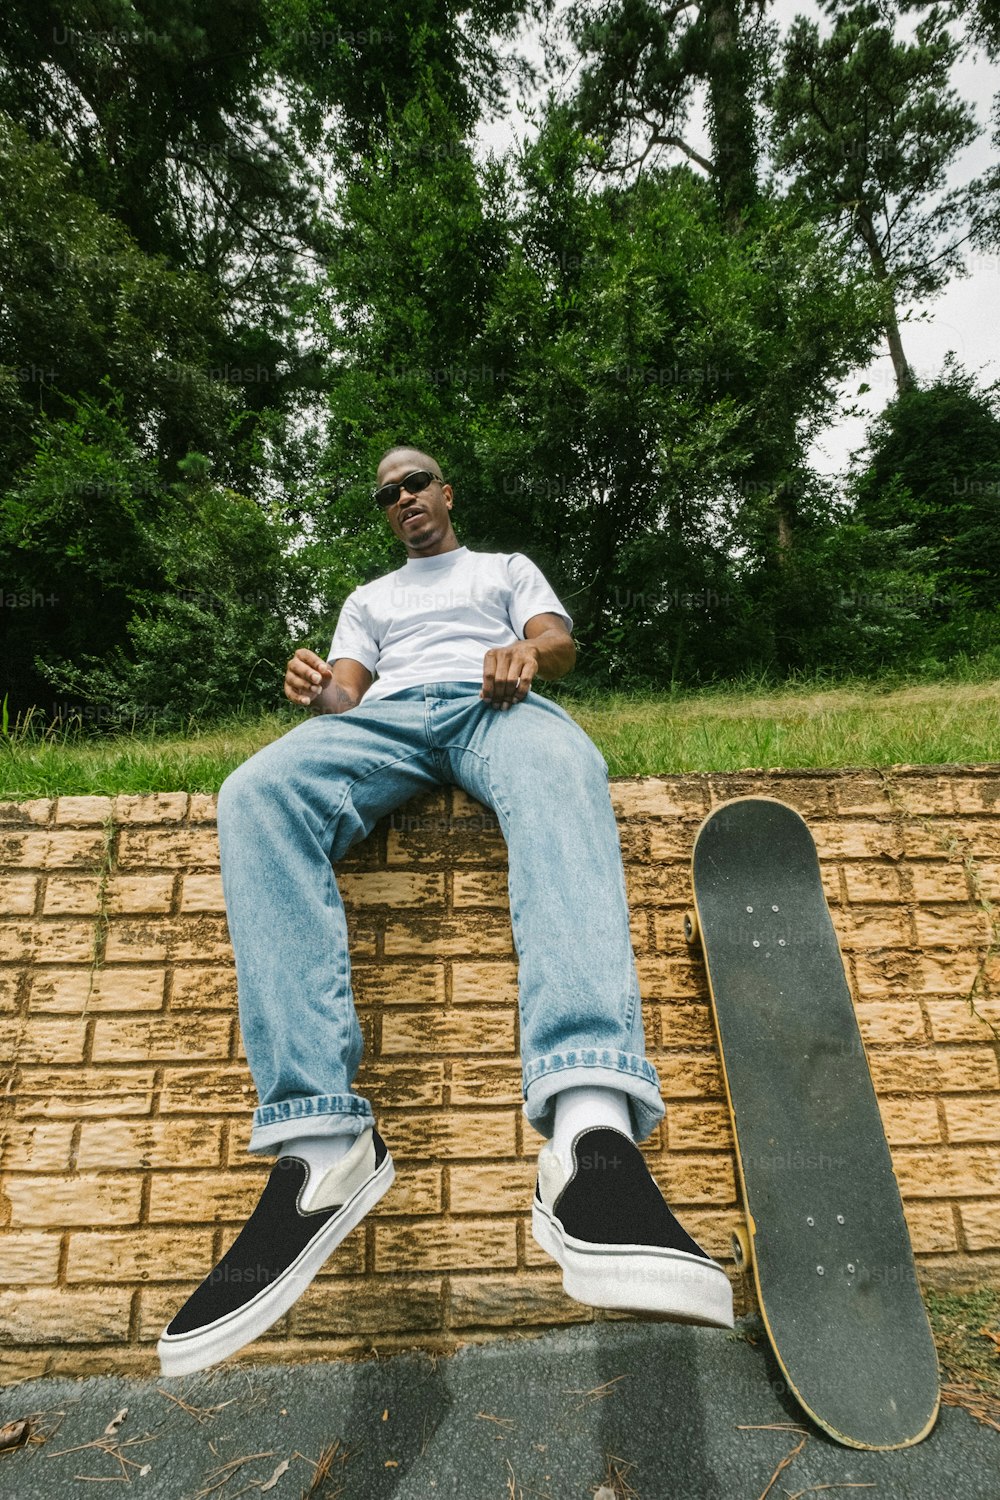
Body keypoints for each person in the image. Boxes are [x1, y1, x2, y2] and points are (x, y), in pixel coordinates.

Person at [156, 446, 733, 1376]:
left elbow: (559, 640)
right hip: (384, 720)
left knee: (565, 768)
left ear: (446, 491)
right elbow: (347, 692)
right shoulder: (370, 599)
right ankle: (321, 1143)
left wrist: (523, 653)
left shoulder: (500, 571)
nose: (404, 499)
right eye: (387, 494)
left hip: (489, 703)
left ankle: (589, 1133)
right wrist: (319, 689)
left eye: (416, 482)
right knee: (254, 794)